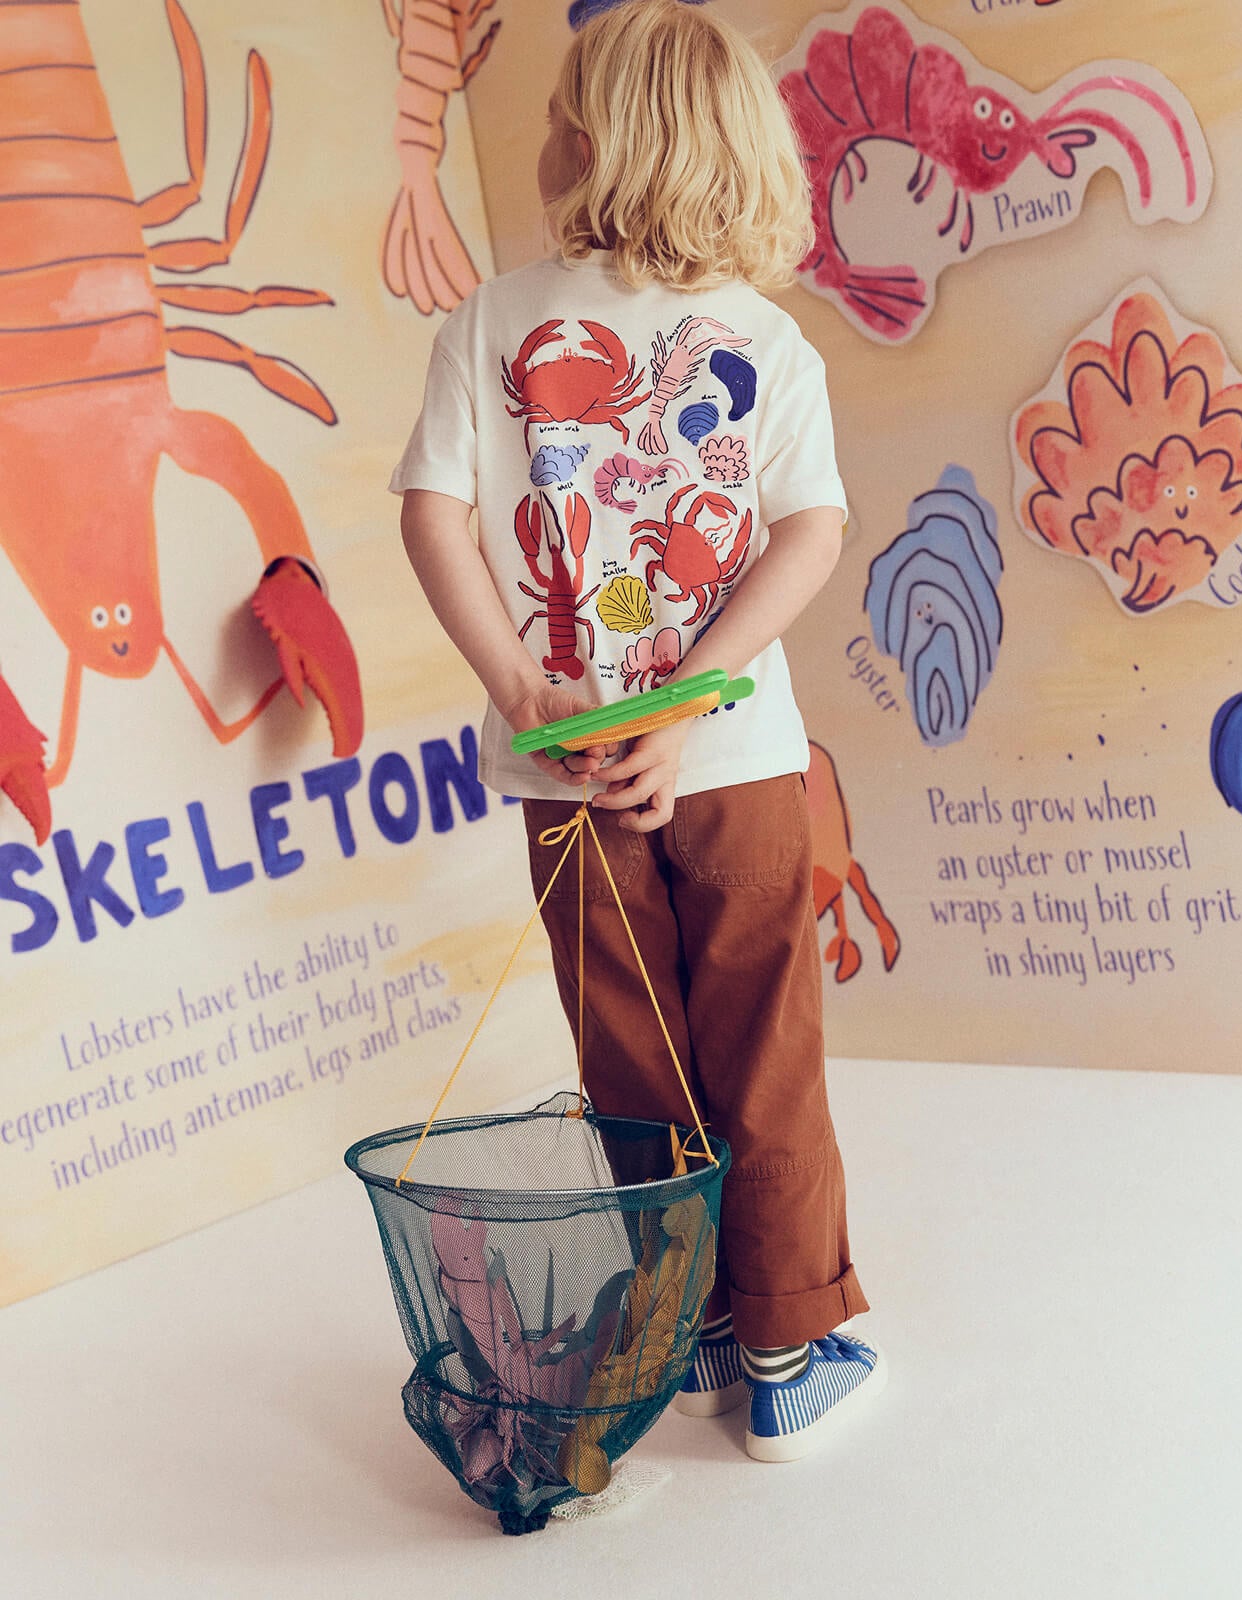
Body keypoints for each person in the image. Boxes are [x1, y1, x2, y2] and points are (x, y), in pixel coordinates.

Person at [393, 0, 884, 1463]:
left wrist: (526, 691)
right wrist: (701, 700)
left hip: (566, 779)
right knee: (765, 1049)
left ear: (590, 145)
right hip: (736, 771)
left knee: (632, 1058)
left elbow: (433, 520)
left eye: (554, 111)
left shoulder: (485, 322)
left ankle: (692, 1317)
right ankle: (786, 1341)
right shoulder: (770, 344)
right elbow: (808, 535)